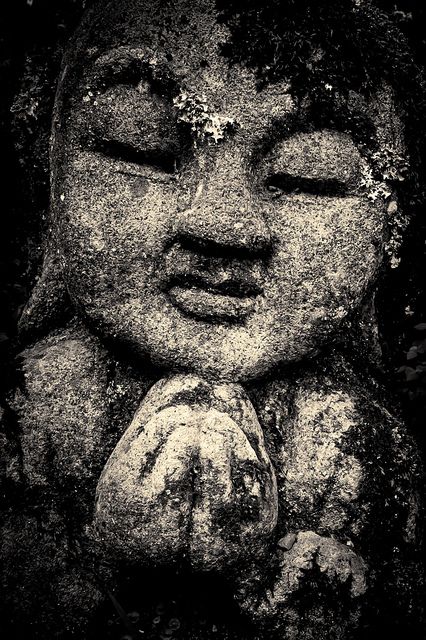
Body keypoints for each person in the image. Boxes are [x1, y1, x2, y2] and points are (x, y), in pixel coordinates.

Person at [1, 1, 424, 638]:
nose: (221, 225)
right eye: (142, 151)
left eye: (305, 177)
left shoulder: (354, 437)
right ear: (50, 176)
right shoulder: (29, 405)